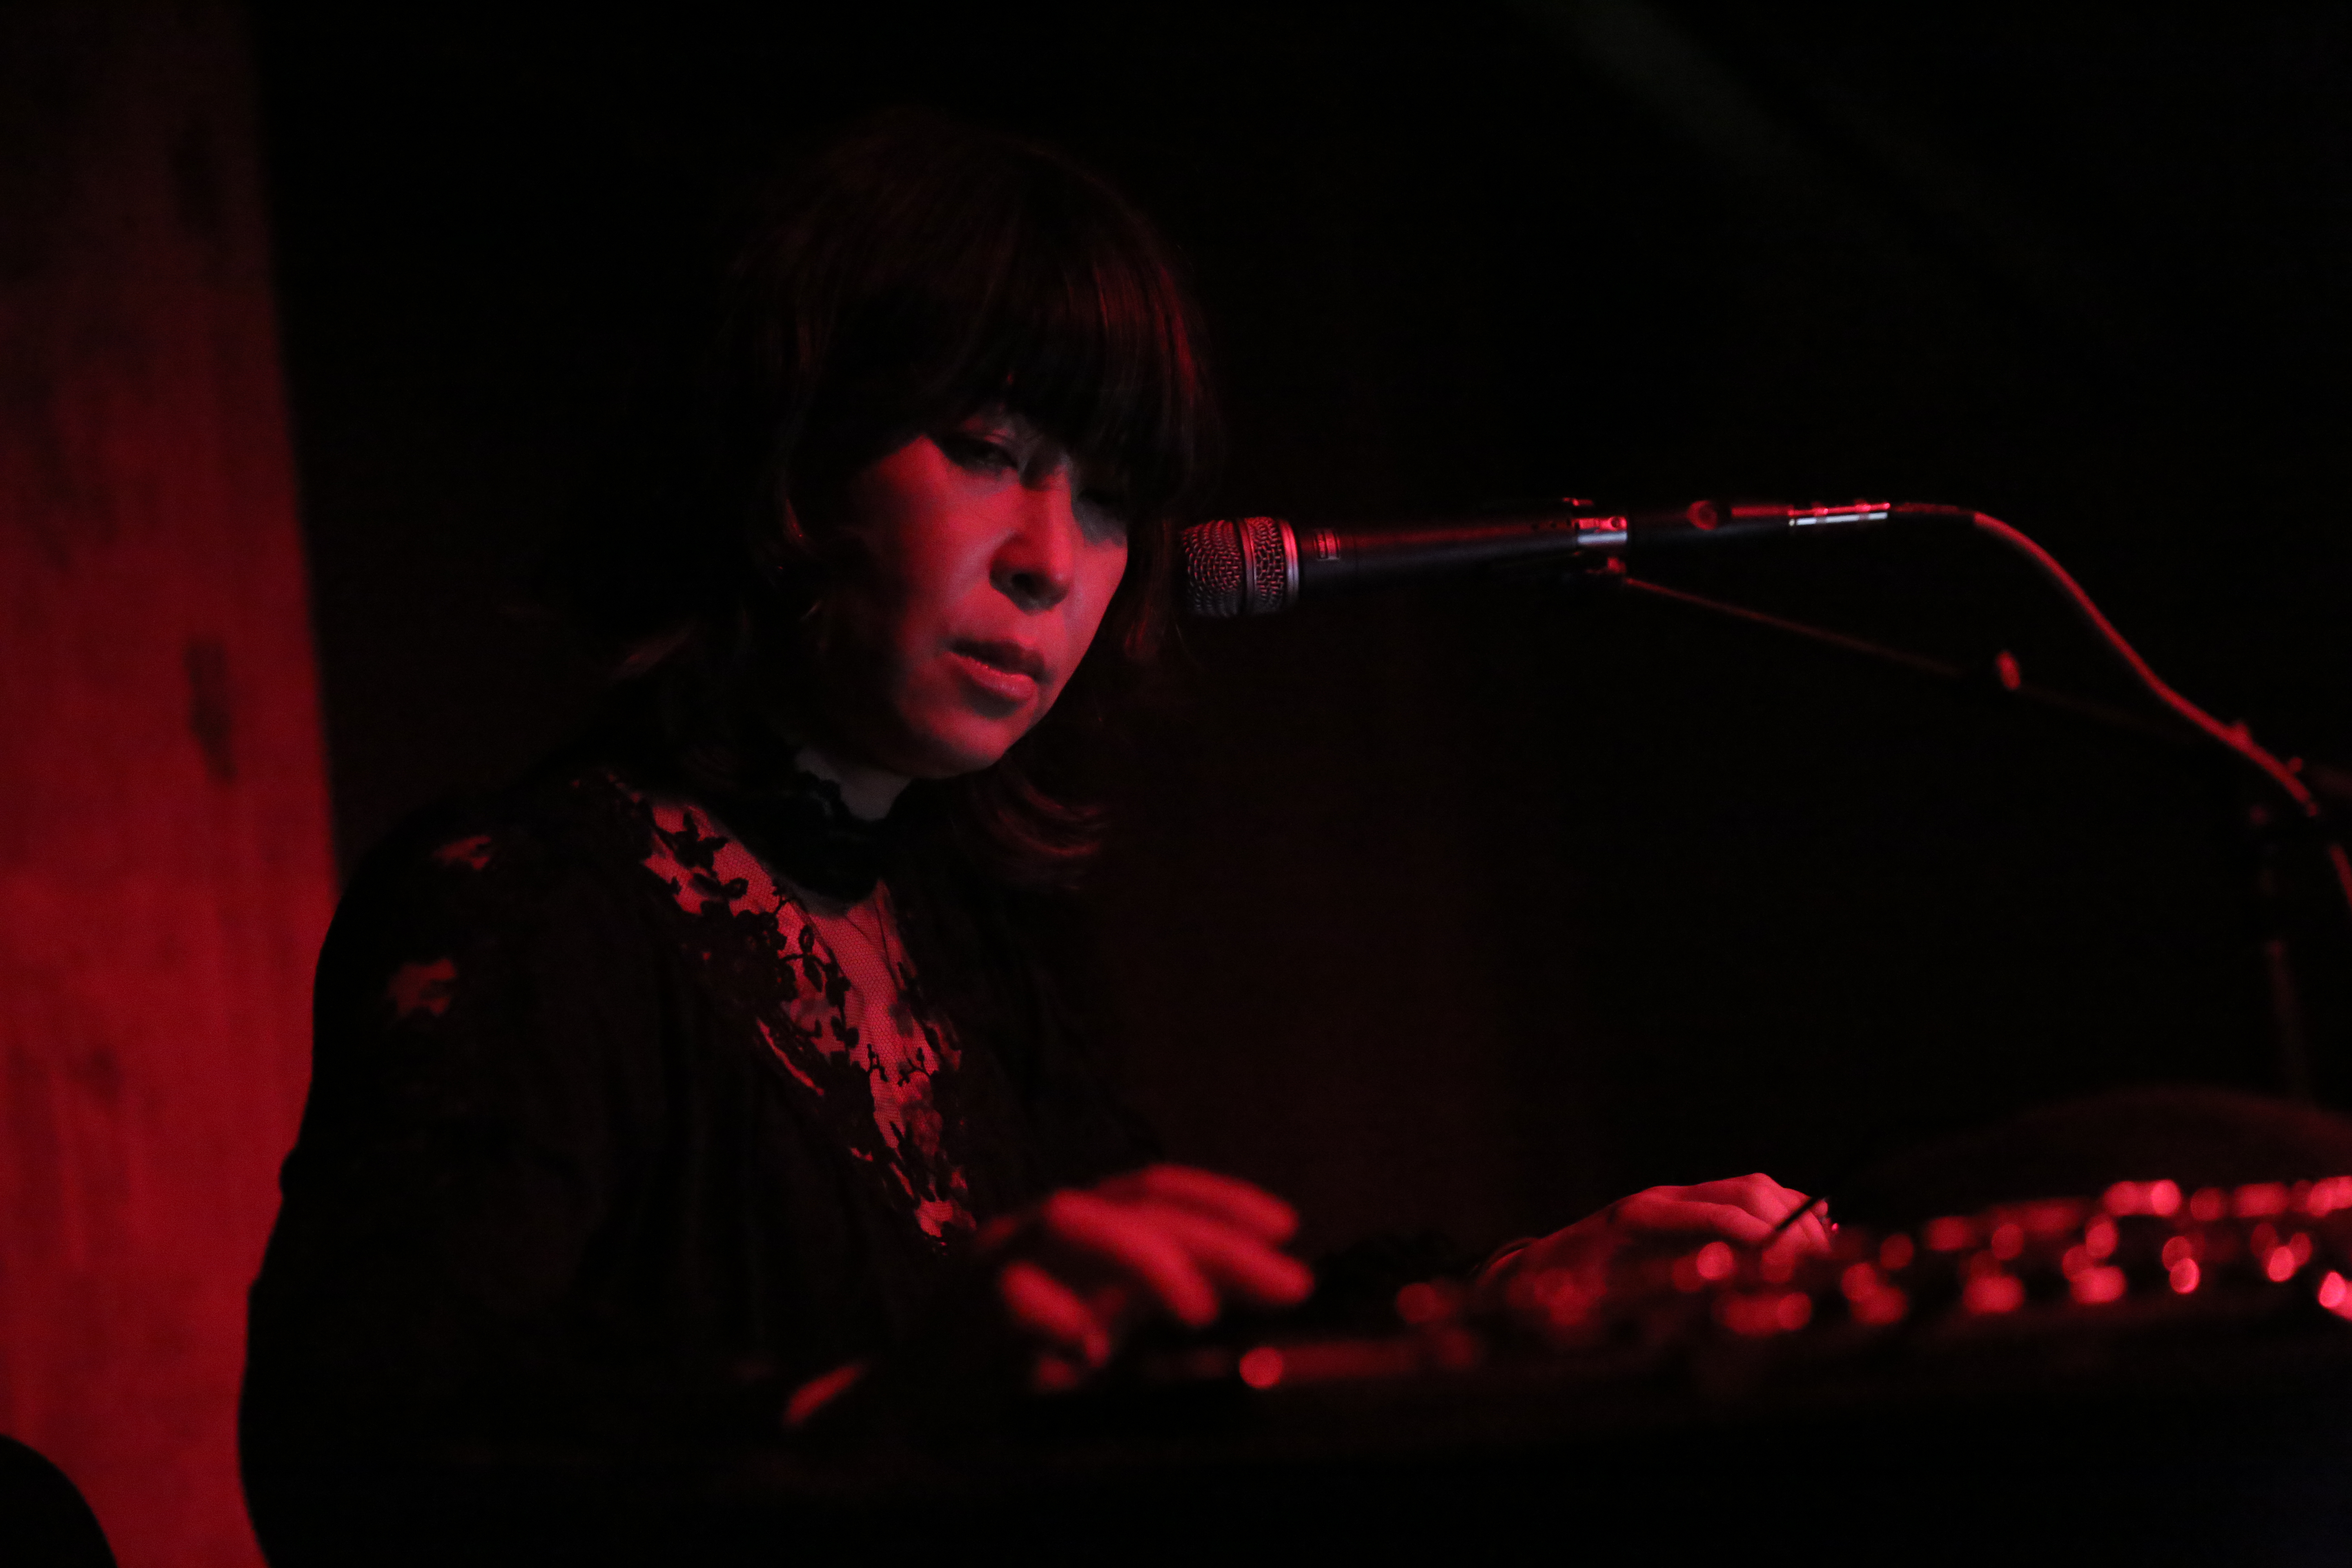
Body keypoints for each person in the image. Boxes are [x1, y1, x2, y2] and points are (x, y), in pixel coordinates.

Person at [238, 109, 1829, 1559]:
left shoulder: (974, 932)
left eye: (1110, 497)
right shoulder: (527, 903)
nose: (1054, 560)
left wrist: (1517, 1293)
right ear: (794, 449)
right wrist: (868, 1417)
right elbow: (359, 1458)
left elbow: (1174, 1344)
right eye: (990, 450)